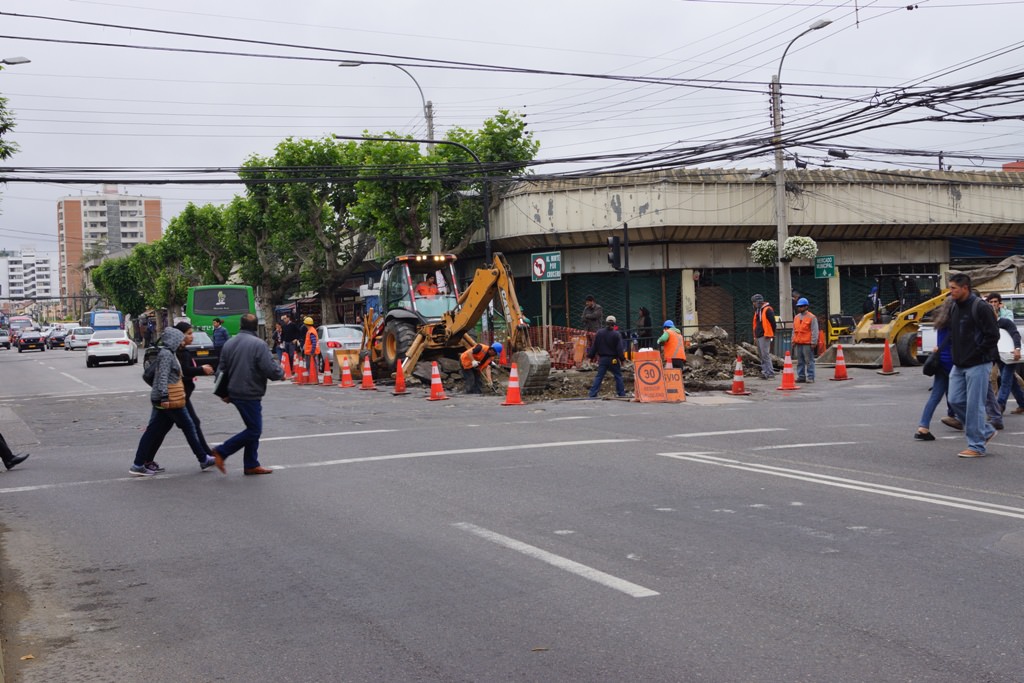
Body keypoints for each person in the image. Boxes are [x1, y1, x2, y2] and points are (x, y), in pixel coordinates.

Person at [129, 326, 215, 476]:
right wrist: (164, 398)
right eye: (180, 337)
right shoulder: (167, 354)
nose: (183, 340)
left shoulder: (169, 353)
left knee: (155, 431)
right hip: (169, 398)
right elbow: (162, 377)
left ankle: (140, 463)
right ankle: (203, 458)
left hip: (166, 398)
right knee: (188, 425)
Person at [211, 313, 285, 475]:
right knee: (254, 430)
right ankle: (222, 451)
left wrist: (223, 392)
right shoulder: (259, 344)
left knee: (252, 427)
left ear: (241, 326)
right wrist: (281, 373)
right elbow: (269, 368)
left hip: (234, 391)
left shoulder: (229, 343)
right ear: (255, 327)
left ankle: (251, 463)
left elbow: (220, 370)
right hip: (249, 391)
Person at [946, 273, 1000, 458]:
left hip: (978, 363)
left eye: (953, 288)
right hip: (959, 364)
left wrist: (977, 352)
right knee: (954, 400)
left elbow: (993, 335)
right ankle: (985, 431)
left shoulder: (981, 307)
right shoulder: (954, 307)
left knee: (974, 405)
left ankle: (976, 446)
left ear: (965, 288)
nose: (950, 291)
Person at [916, 299, 955, 441]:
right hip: (952, 363)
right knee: (960, 397)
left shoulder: (941, 321)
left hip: (940, 363)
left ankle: (923, 426)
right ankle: (971, 424)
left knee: (935, 397)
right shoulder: (954, 322)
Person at [986, 293, 1024, 416]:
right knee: (1011, 381)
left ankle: (999, 405)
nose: (993, 305)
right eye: (990, 302)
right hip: (999, 357)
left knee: (1006, 379)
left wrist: (1017, 348)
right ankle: (1022, 404)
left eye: (995, 302)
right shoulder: (987, 325)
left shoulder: (1005, 321)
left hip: (1011, 355)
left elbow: (1015, 334)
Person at [587, 315, 627, 398]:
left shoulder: (599, 333)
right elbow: (619, 349)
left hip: (603, 359)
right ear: (614, 324)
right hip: (614, 359)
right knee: (618, 375)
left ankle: (592, 394)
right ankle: (621, 394)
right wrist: (622, 360)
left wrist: (590, 357)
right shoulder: (616, 334)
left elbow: (595, 346)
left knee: (599, 376)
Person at [791, 297, 820, 383]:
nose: (799, 308)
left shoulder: (812, 317)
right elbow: (794, 330)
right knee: (800, 361)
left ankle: (810, 376)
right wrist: (793, 340)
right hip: (799, 342)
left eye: (801, 306)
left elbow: (815, 331)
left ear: (806, 307)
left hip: (807, 343)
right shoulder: (796, 317)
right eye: (799, 306)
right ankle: (801, 376)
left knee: (809, 361)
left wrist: (814, 342)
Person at [751, 294, 776, 380]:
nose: (753, 304)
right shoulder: (758, 311)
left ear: (757, 302)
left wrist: (771, 333)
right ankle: (765, 372)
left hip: (765, 335)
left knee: (765, 354)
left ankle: (770, 373)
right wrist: (755, 336)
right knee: (761, 355)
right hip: (759, 335)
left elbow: (773, 323)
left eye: (754, 302)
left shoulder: (767, 310)